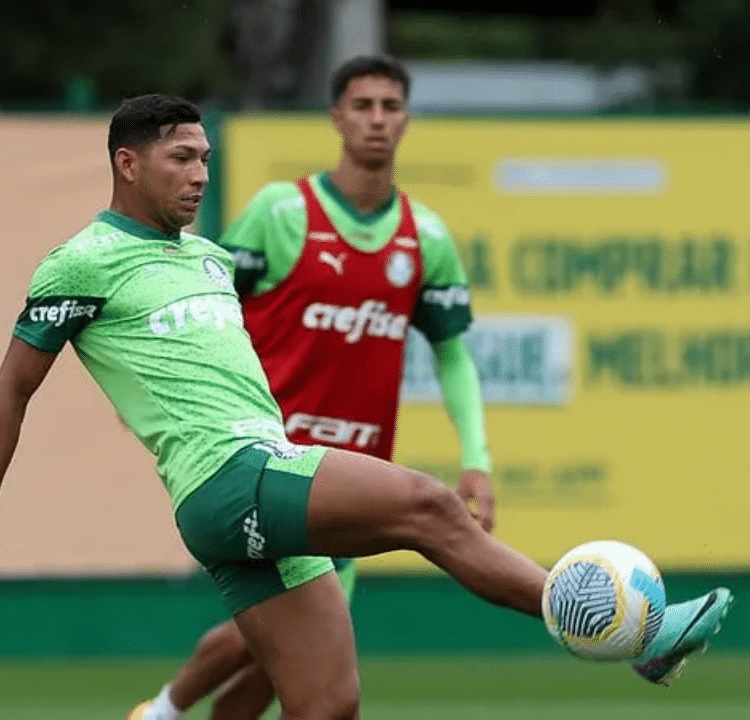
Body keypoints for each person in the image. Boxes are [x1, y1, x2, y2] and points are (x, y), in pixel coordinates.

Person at [0, 92, 733, 720]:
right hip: (227, 476)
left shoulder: (209, 259)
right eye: (181, 158)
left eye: (207, 157)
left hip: (252, 479)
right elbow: (10, 396)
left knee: (327, 704)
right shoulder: (82, 261)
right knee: (428, 504)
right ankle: (630, 634)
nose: (201, 174)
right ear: (128, 164)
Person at [129, 54, 498, 720]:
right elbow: (206, 306)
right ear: (336, 118)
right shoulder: (280, 212)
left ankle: (164, 712)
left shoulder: (427, 237)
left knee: (285, 666)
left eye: (390, 107)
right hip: (268, 456)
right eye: (363, 106)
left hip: (353, 472)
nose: (377, 121)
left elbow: (452, 353)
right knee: (279, 632)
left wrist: (477, 457)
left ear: (407, 120)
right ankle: (163, 710)